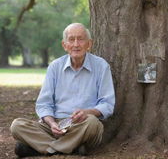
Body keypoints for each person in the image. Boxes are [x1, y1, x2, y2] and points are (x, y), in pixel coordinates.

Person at [10, 23, 115, 157]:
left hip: (81, 125)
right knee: (17, 125)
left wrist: (87, 112)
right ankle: (71, 147)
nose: (76, 44)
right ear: (64, 45)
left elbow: (107, 104)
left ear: (89, 44)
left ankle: (42, 148)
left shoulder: (101, 66)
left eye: (80, 39)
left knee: (93, 123)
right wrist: (52, 123)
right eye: (71, 40)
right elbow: (44, 104)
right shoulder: (55, 67)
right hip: (54, 125)